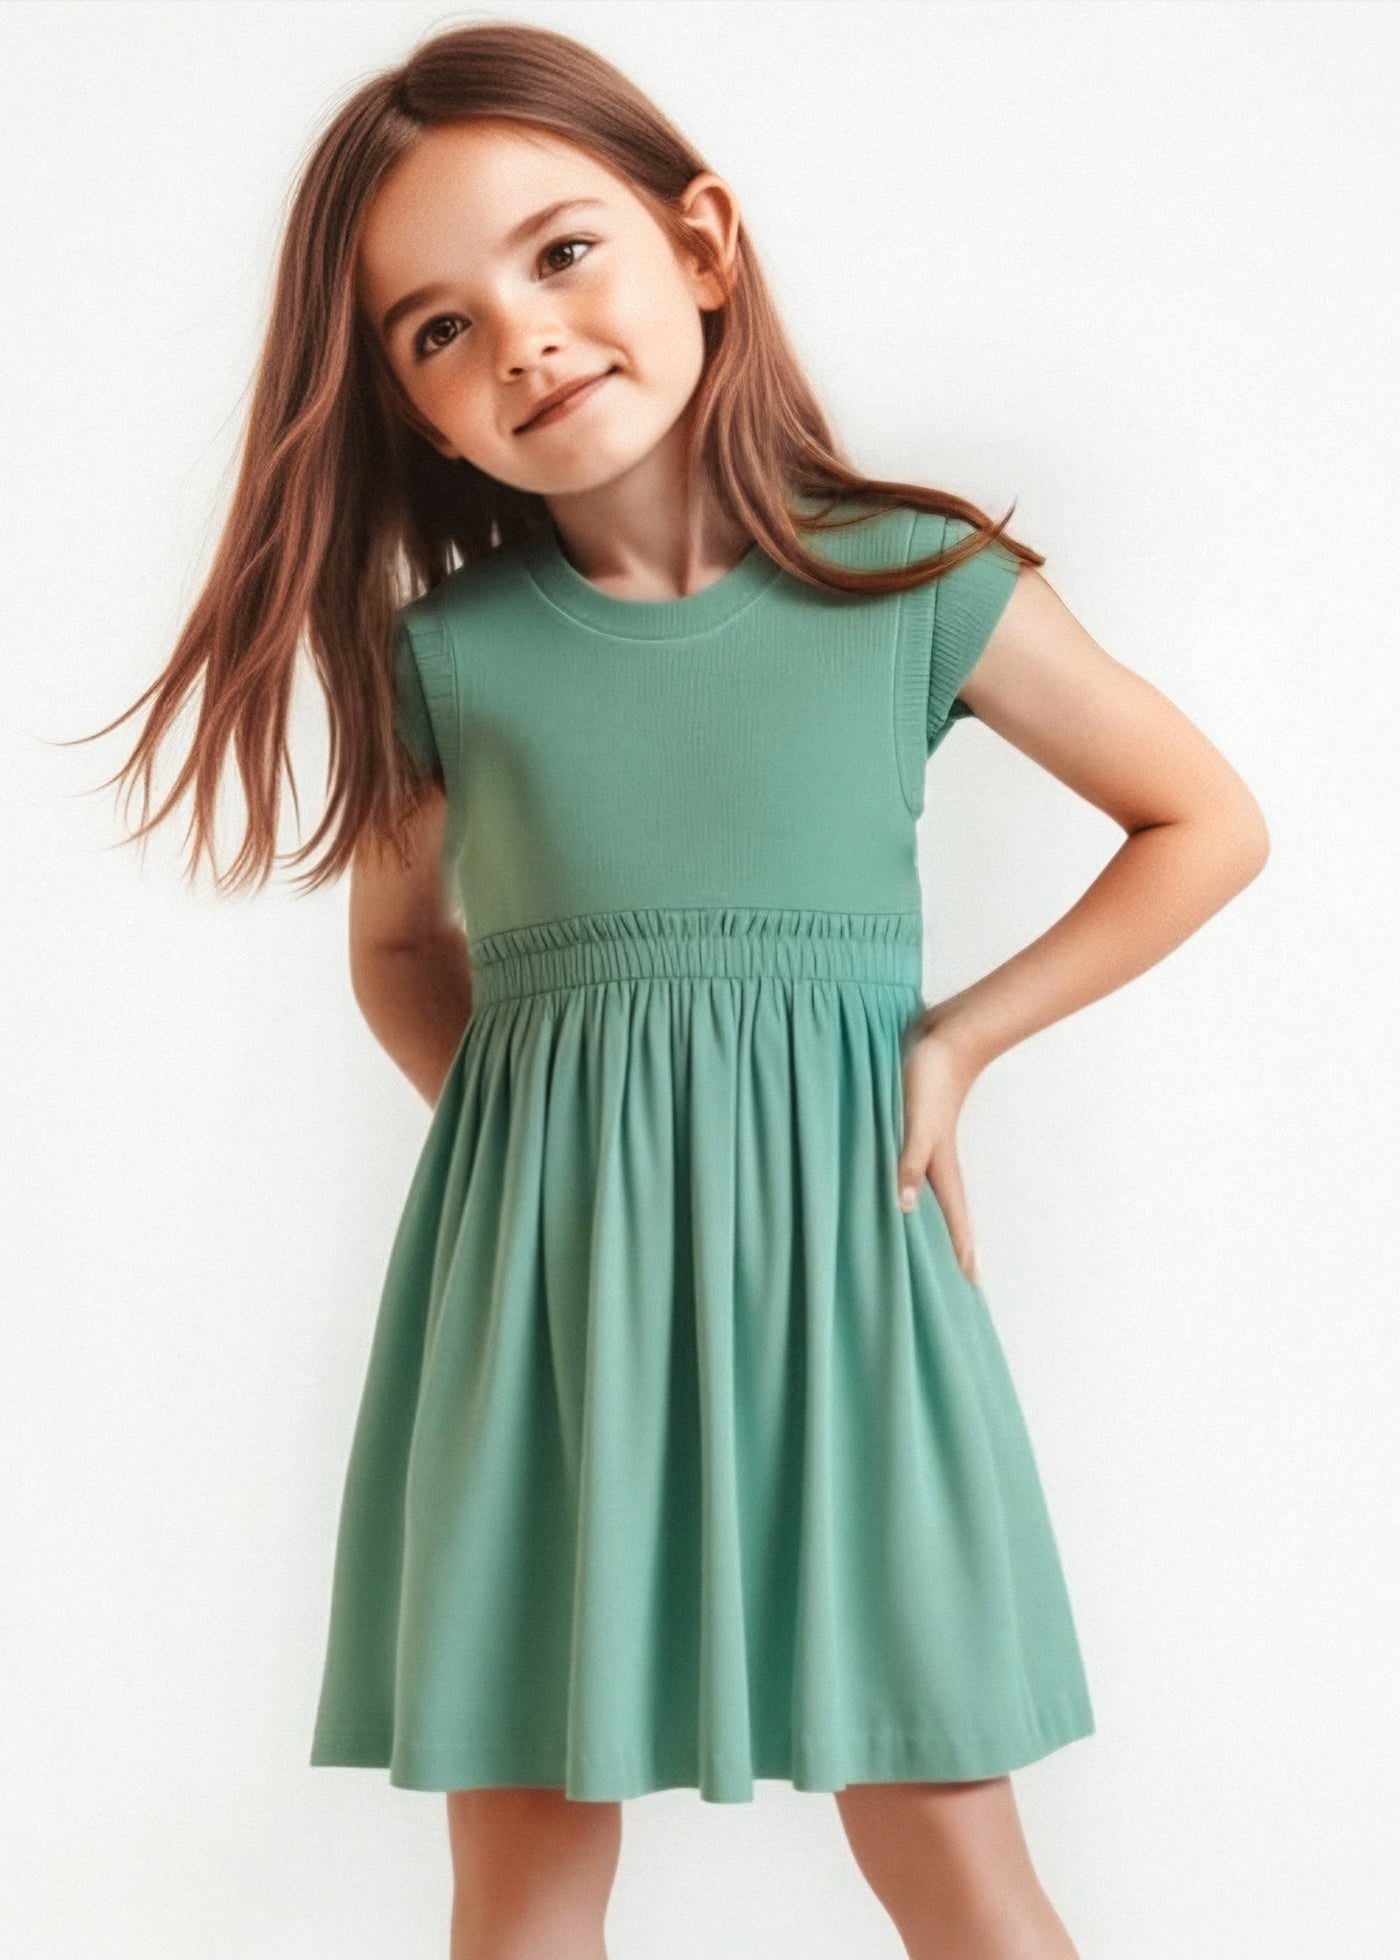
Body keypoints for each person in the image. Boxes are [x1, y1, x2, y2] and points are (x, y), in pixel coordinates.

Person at [91, 21, 1269, 1960]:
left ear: (701, 244)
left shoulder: (916, 583)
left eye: (561, 254)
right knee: (524, 1876)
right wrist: (545, 1168)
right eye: (438, 329)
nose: (522, 339)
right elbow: (397, 950)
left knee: (952, 1846)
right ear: (414, 413)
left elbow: (1204, 822)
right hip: (545, 1316)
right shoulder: (446, 659)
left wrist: (958, 1044)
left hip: (851, 1280)